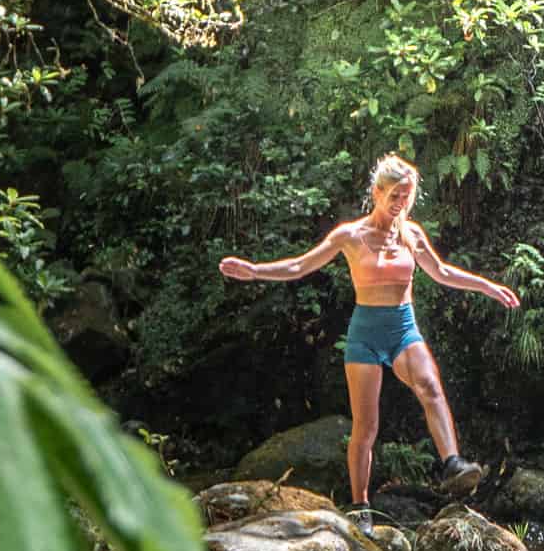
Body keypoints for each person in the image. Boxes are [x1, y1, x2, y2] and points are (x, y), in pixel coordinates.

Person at [218, 153, 519, 524]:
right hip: (366, 334)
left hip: (403, 327)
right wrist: (254, 271)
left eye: (406, 197)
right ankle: (360, 505)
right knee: (366, 426)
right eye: (394, 196)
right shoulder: (351, 235)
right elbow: (301, 265)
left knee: (430, 385)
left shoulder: (412, 235)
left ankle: (452, 464)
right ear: (377, 192)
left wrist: (487, 287)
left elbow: (441, 272)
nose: (400, 204)